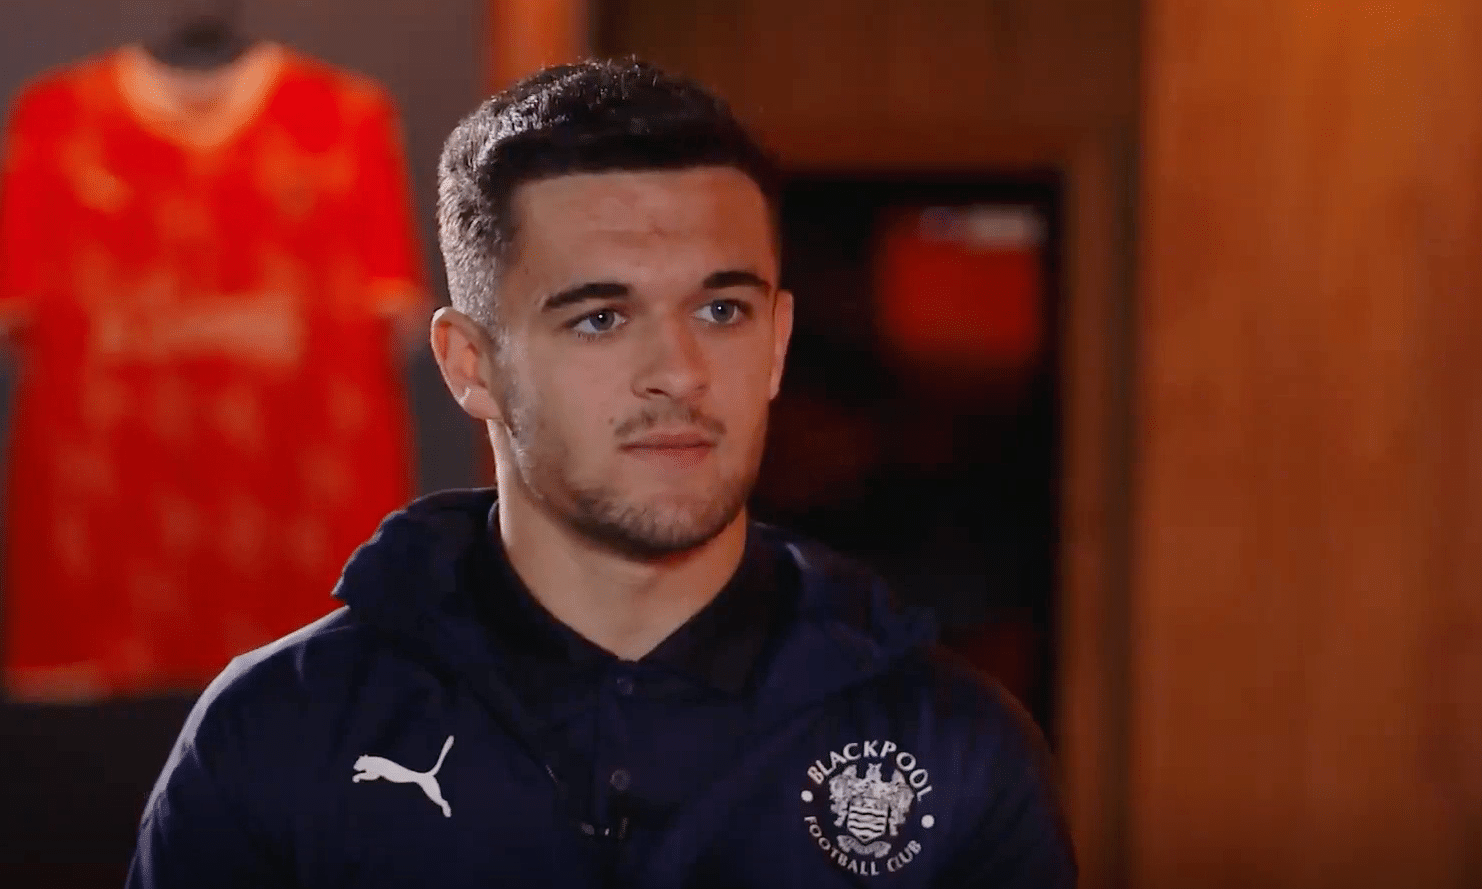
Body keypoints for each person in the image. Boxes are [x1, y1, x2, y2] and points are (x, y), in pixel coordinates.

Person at [126, 58, 1077, 888]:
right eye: (600, 318)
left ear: (780, 343)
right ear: (471, 365)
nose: (680, 371)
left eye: (722, 312)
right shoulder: (282, 734)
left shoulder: (952, 750)